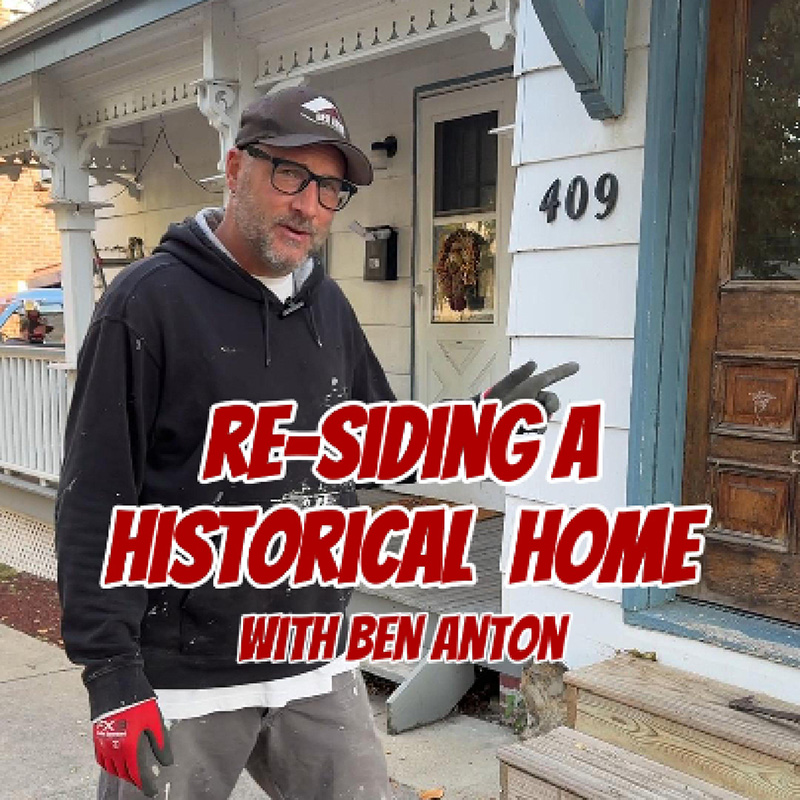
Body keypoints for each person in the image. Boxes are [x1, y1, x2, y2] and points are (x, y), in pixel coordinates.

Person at [55, 86, 578, 800]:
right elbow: (95, 501)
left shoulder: (324, 307)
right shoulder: (146, 307)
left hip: (311, 655)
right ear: (237, 168)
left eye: (330, 189)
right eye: (291, 175)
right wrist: (113, 676)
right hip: (186, 673)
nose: (310, 205)